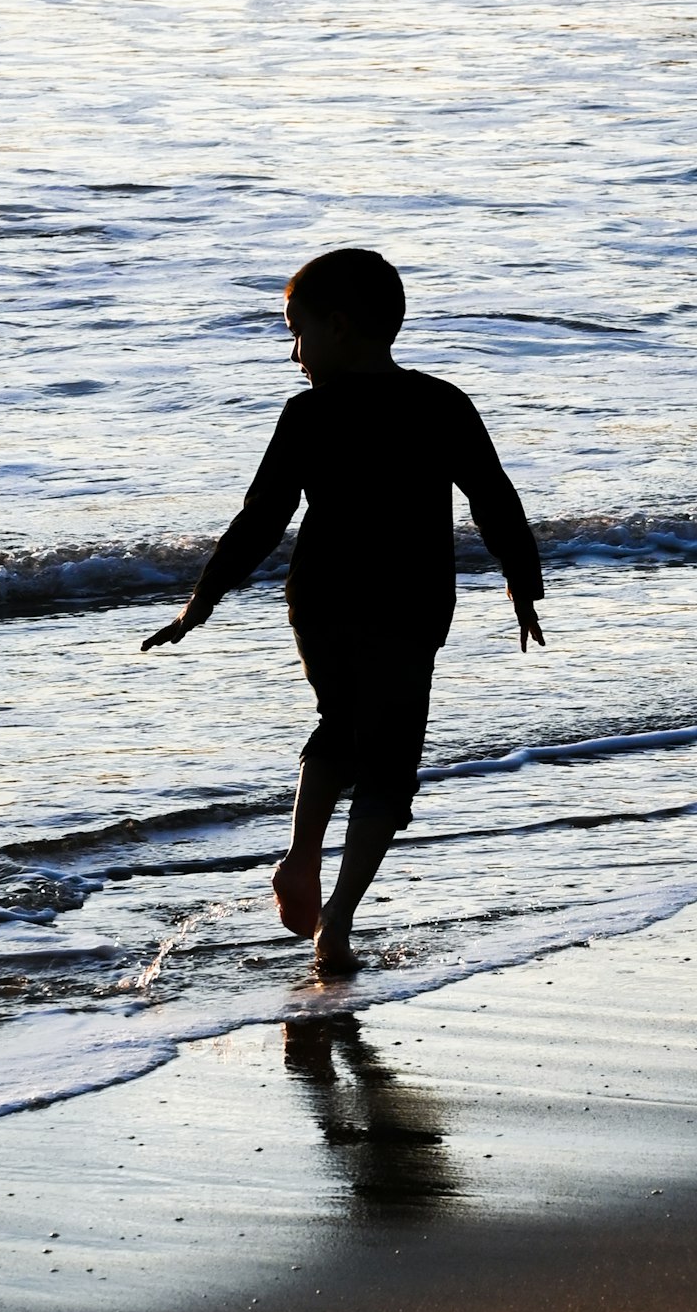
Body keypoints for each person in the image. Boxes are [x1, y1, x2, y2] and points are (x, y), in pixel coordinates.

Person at [141, 248, 544, 974]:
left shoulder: (308, 414)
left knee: (339, 724)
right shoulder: (440, 403)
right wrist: (522, 582)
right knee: (389, 764)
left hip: (319, 600)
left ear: (338, 326)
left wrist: (205, 596)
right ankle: (338, 923)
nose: (293, 353)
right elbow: (494, 498)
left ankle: (301, 856)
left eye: (297, 333)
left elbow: (261, 519)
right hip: (408, 603)